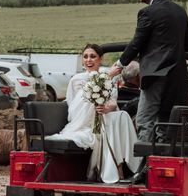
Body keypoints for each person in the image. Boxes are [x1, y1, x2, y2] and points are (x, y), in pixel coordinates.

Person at [110, 0, 188, 144]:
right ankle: (163, 157)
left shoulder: (147, 13)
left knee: (144, 119)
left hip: (155, 74)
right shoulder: (179, 11)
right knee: (165, 119)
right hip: (177, 76)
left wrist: (119, 65)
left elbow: (136, 43)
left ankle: (144, 165)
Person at [47, 44, 140, 183]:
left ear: (100, 59)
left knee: (121, 116)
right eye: (85, 56)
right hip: (83, 120)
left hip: (104, 116)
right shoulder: (76, 79)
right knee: (107, 126)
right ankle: (115, 169)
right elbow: (72, 104)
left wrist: (106, 108)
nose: (88, 60)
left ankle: (126, 166)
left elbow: (113, 101)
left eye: (92, 56)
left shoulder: (108, 77)